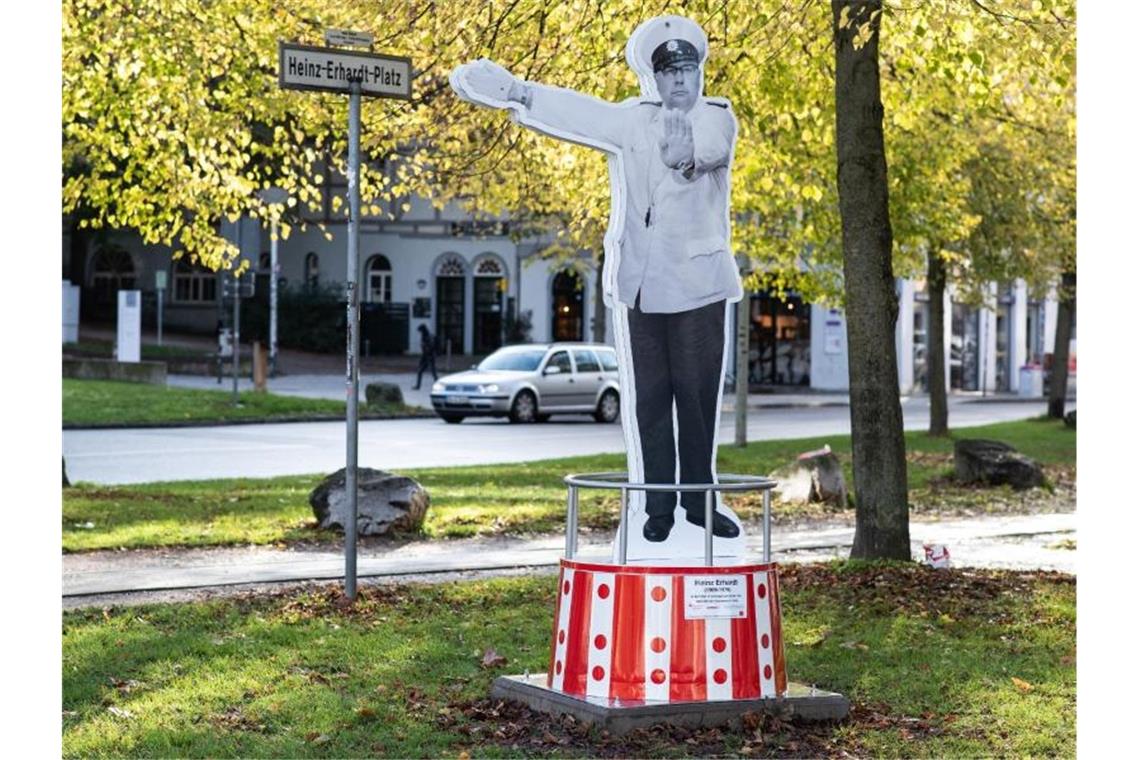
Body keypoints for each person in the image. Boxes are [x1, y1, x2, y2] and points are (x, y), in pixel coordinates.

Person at [451, 15, 742, 544]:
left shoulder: (715, 116)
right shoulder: (633, 121)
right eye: (670, 71)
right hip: (641, 286)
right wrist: (519, 91)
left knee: (695, 399)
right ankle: (658, 509)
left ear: (700, 73)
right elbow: (584, 114)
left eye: (688, 69)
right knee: (651, 399)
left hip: (698, 285)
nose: (681, 80)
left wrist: (685, 161)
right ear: (655, 77)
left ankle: (700, 505)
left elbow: (710, 150)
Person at [413, 324, 438, 390]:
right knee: (422, 372)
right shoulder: (425, 336)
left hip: (429, 357)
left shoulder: (427, 337)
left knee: (433, 373)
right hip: (427, 356)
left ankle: (418, 386)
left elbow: (429, 348)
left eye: (420, 331)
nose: (419, 332)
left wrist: (425, 348)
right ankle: (418, 386)